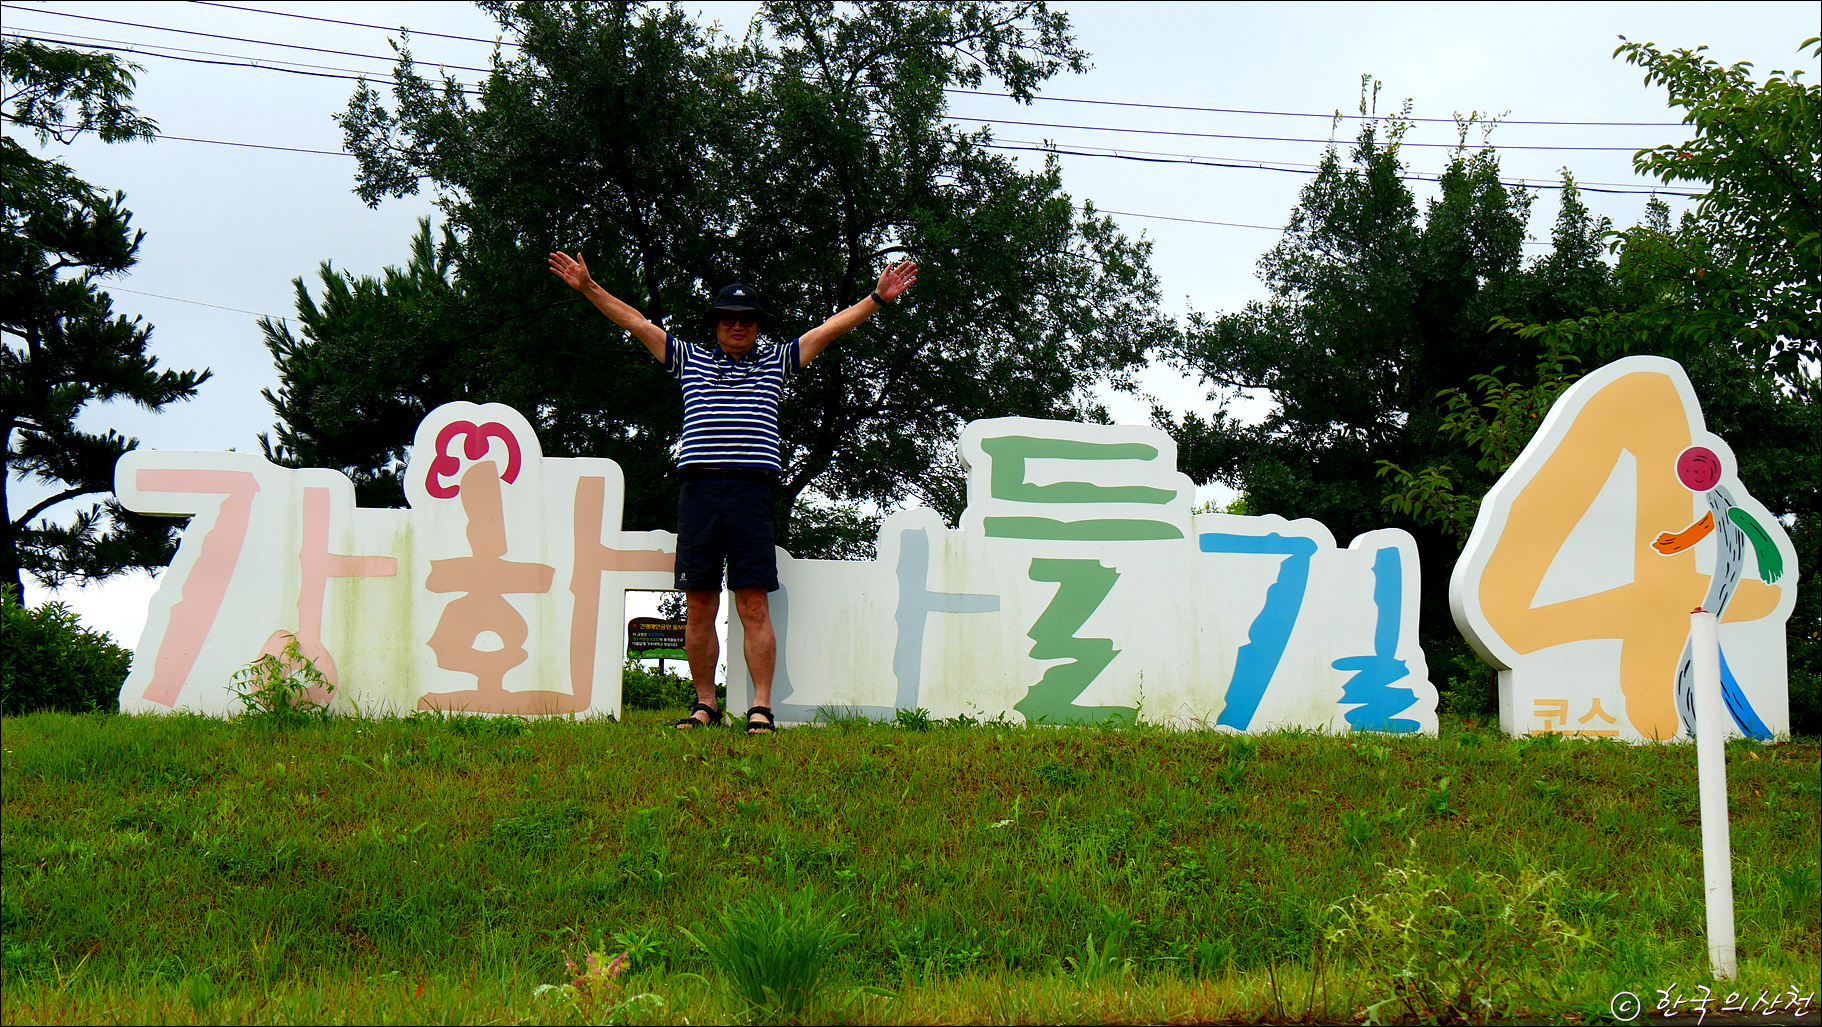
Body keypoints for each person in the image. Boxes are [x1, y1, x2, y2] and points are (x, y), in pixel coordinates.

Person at [547, 251, 916, 733]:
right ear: (717, 324)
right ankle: (705, 704)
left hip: (750, 492)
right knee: (699, 603)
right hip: (699, 491)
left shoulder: (778, 361)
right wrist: (589, 287)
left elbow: (828, 330)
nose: (737, 326)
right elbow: (635, 322)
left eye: (746, 319)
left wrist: (876, 299)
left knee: (753, 603)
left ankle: (761, 707)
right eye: (728, 319)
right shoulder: (688, 358)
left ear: (757, 325)